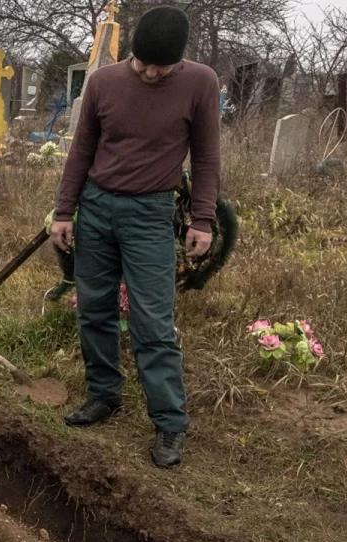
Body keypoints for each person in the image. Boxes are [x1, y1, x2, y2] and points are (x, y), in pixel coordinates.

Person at [51, 6, 221, 469]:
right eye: (142, 62)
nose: (148, 72)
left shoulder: (200, 84)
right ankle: (104, 395)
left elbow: (206, 158)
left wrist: (201, 220)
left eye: (159, 67)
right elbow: (82, 148)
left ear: (179, 61)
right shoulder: (105, 82)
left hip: (150, 212)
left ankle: (169, 421)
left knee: (153, 322)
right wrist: (64, 211)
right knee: (95, 309)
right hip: (97, 206)